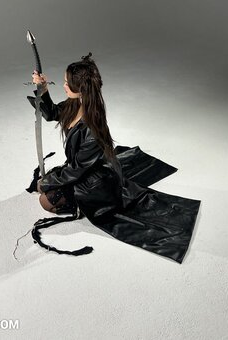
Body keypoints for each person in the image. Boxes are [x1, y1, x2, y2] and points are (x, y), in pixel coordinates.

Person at [26, 53, 201, 263]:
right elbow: (51, 113)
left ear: (81, 89)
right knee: (45, 185)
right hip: (81, 169)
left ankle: (80, 206)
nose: (63, 85)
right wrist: (43, 89)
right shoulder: (74, 104)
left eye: (67, 82)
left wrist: (47, 182)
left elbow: (77, 169)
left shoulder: (92, 126)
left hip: (94, 181)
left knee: (45, 201)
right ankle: (65, 192)